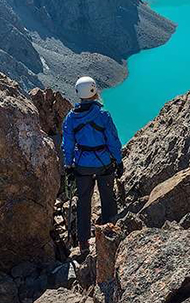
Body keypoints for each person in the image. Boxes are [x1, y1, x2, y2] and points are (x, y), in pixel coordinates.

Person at [62, 76, 123, 259]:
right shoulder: (103, 115)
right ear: (94, 91)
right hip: (103, 162)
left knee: (83, 202)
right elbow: (112, 140)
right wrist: (118, 161)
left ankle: (83, 244)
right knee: (107, 198)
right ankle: (109, 235)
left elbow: (68, 144)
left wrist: (68, 166)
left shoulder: (71, 117)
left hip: (82, 165)